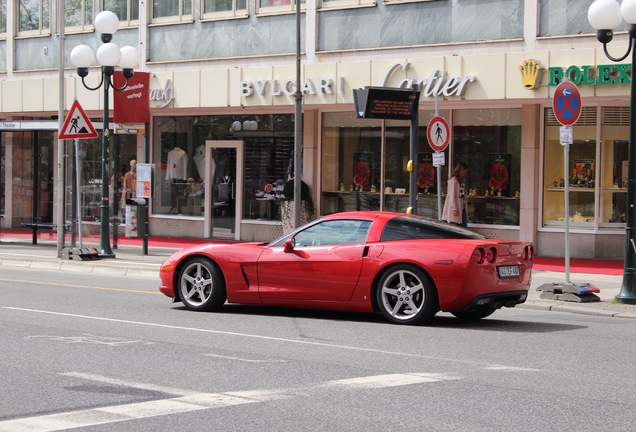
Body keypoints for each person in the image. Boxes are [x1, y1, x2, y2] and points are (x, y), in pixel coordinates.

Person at [442, 162, 469, 227]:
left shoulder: (461, 180)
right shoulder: (454, 180)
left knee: (463, 226)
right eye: (465, 171)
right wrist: (454, 208)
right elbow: (452, 195)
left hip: (461, 207)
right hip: (456, 208)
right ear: (462, 170)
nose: (466, 173)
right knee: (457, 227)